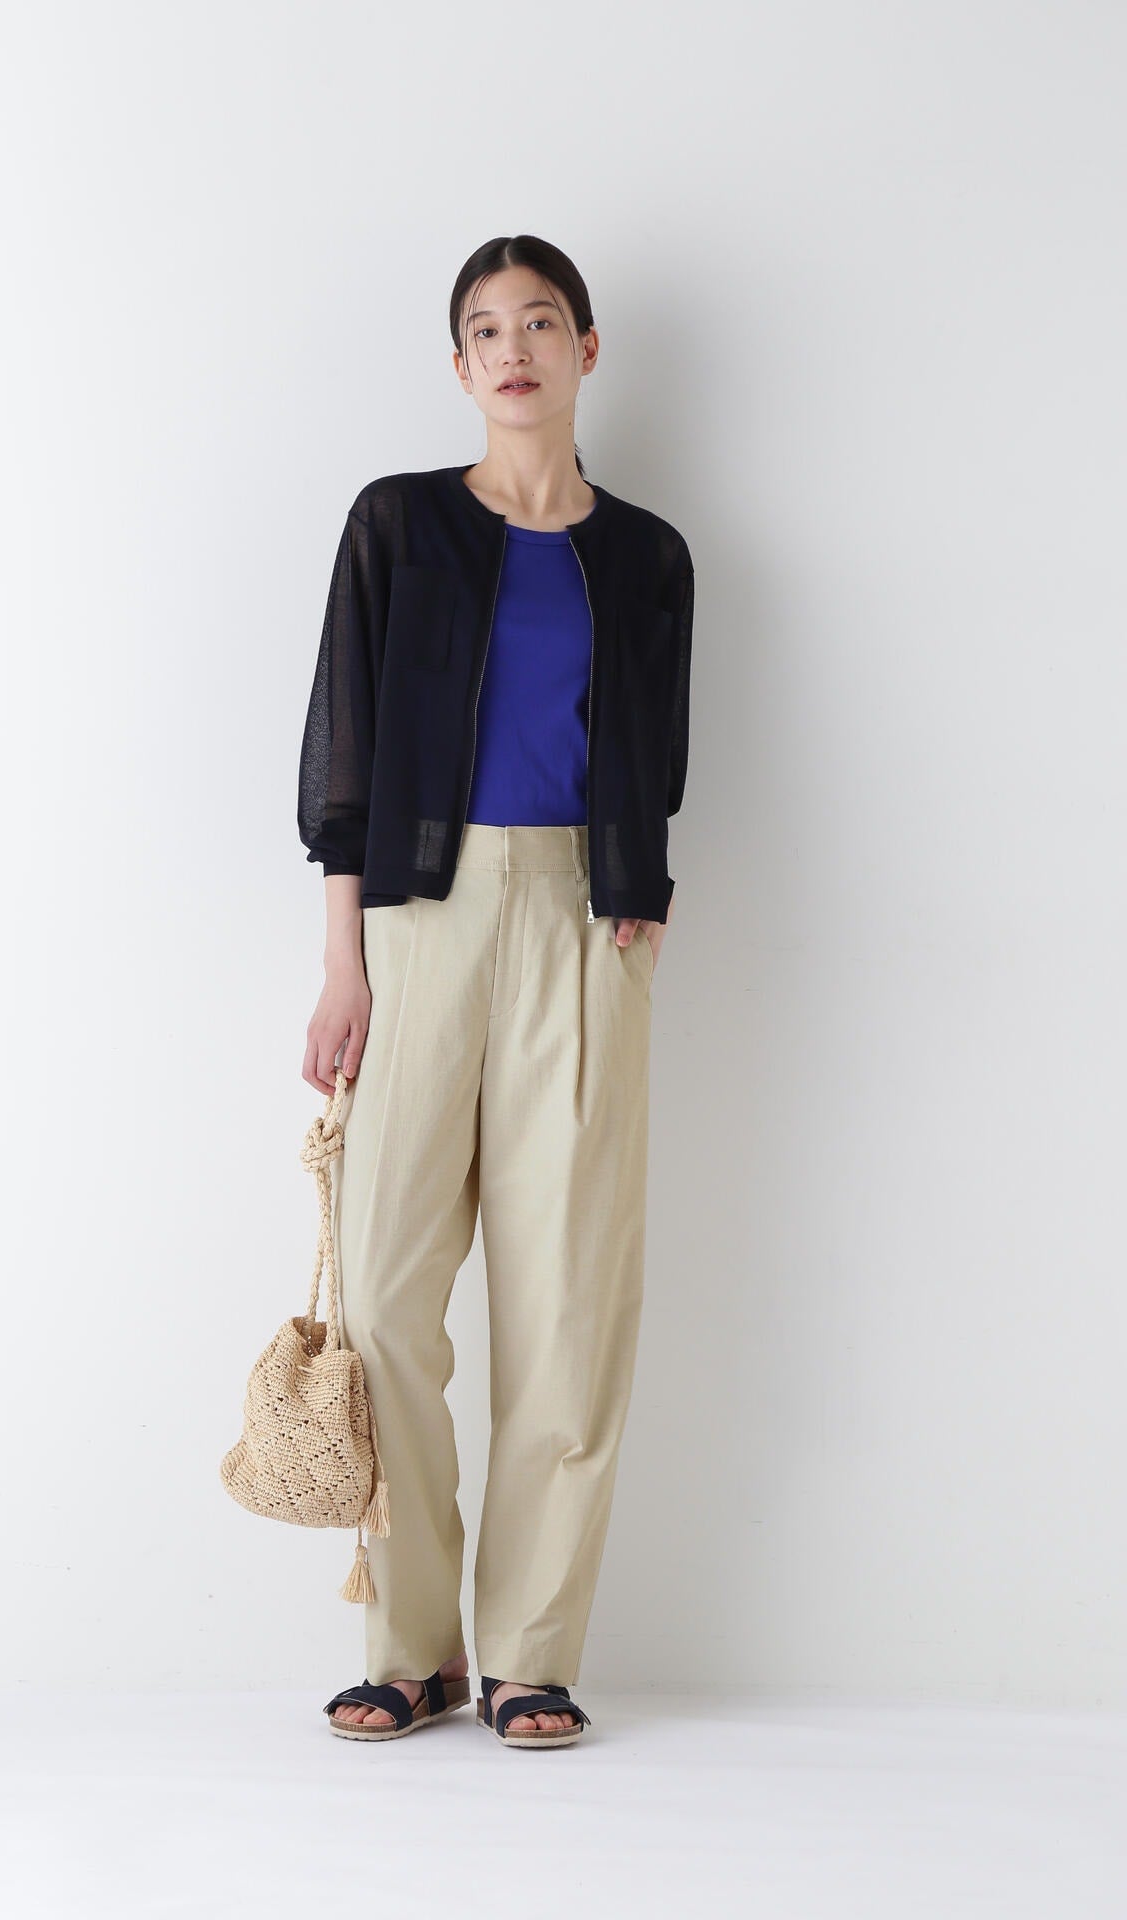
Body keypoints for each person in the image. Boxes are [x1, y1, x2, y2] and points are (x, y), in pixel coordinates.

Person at [297, 234, 694, 1747]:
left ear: (587, 349)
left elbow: (658, 756)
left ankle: (530, 1650)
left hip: (589, 928)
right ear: (458, 365)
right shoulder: (398, 526)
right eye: (485, 327)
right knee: (386, 1293)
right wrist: (343, 962)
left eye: (540, 322)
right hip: (418, 920)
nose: (513, 348)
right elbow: (343, 755)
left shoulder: (650, 556)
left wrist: (636, 892)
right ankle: (413, 1647)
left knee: (570, 1295)